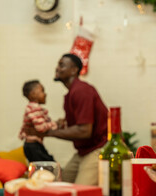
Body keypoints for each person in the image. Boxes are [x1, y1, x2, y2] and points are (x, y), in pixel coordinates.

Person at [28, 53, 108, 185]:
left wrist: (47, 133)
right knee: (60, 185)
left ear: (74, 70)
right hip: (84, 151)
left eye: (62, 65)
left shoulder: (82, 90)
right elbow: (79, 124)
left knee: (79, 192)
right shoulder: (71, 94)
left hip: (99, 148)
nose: (57, 68)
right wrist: (55, 125)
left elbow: (84, 131)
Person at [19, 80, 57, 162]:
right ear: (33, 94)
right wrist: (54, 124)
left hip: (33, 145)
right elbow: (41, 128)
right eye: (42, 91)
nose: (45, 94)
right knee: (50, 167)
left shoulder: (33, 108)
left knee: (45, 166)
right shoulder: (34, 108)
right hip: (33, 146)